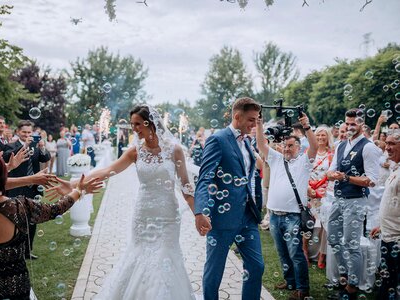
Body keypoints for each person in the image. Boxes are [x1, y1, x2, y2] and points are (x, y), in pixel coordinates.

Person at [50, 105, 200, 299]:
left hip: (168, 215)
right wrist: (72, 184)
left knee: (166, 256)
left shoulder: (175, 150)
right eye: (132, 125)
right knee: (140, 255)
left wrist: (198, 214)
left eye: (138, 124)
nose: (135, 129)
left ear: (151, 123)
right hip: (143, 214)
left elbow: (187, 187)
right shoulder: (135, 151)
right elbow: (106, 171)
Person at [0, 148, 102, 299]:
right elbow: (56, 209)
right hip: (14, 290)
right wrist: (78, 191)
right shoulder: (20, 207)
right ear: (2, 174)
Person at [195, 97, 264, 300]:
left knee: (256, 266)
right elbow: (205, 177)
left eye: (256, 120)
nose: (254, 124)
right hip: (222, 217)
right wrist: (200, 212)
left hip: (248, 216)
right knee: (214, 272)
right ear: (237, 116)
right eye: (251, 120)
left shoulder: (248, 140)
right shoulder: (218, 139)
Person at [256, 112, 318, 300]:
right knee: (282, 251)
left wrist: (306, 126)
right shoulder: (275, 158)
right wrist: (259, 124)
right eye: (284, 145)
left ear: (299, 147)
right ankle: (289, 281)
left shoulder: (304, 162)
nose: (286, 148)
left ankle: (302, 289)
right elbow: (261, 144)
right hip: (274, 214)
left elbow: (314, 146)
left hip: (292, 216)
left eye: (290, 145)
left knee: (295, 253)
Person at [326, 109, 380, 299]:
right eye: (347, 124)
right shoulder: (341, 145)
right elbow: (330, 171)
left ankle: (353, 286)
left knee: (351, 244)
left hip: (356, 200)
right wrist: (332, 175)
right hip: (338, 199)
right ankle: (344, 275)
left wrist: (346, 178)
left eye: (353, 124)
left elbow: (372, 180)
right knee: (332, 238)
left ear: (362, 125)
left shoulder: (368, 147)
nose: (349, 127)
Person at [3, 120, 51, 260]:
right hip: (16, 187)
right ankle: (15, 251)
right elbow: (7, 156)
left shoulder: (36, 146)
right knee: (16, 221)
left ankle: (27, 251)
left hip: (33, 188)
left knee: (32, 220)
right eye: (24, 132)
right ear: (18, 132)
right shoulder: (11, 145)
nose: (27, 134)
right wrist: (25, 145)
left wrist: (42, 147)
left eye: (29, 132)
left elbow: (45, 157)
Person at [369, 131, 400, 300]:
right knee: (387, 282)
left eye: (392, 144)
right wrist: (382, 226)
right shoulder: (395, 168)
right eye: (386, 143)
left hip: (397, 240)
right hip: (388, 237)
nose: (387, 147)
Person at [305, 126, 334, 269]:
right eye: (318, 135)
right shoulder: (309, 152)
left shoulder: (331, 155)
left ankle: (321, 254)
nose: (321, 138)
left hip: (323, 193)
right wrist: (308, 188)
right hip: (309, 192)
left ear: (328, 137)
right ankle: (306, 252)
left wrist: (319, 189)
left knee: (322, 225)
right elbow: (303, 172)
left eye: (323, 135)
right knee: (307, 222)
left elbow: (331, 174)